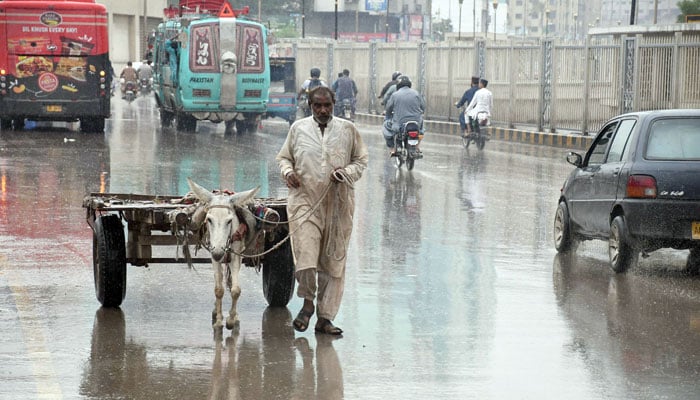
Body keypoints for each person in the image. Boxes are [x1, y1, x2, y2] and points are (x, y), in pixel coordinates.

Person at [276, 86, 368, 336]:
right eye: (318, 106)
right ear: (310, 106)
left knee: (334, 261)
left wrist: (346, 173)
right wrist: (288, 173)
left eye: (327, 105)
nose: (323, 110)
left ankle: (325, 318)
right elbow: (284, 158)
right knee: (305, 256)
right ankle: (307, 305)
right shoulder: (298, 129)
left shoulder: (348, 130)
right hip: (305, 202)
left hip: (338, 204)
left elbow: (361, 161)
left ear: (334, 103)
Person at [384, 75, 425, 156]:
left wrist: (388, 115)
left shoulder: (395, 95)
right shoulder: (417, 93)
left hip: (399, 124)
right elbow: (423, 107)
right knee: (421, 131)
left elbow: (388, 108)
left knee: (386, 125)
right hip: (416, 123)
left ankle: (392, 148)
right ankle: (417, 146)